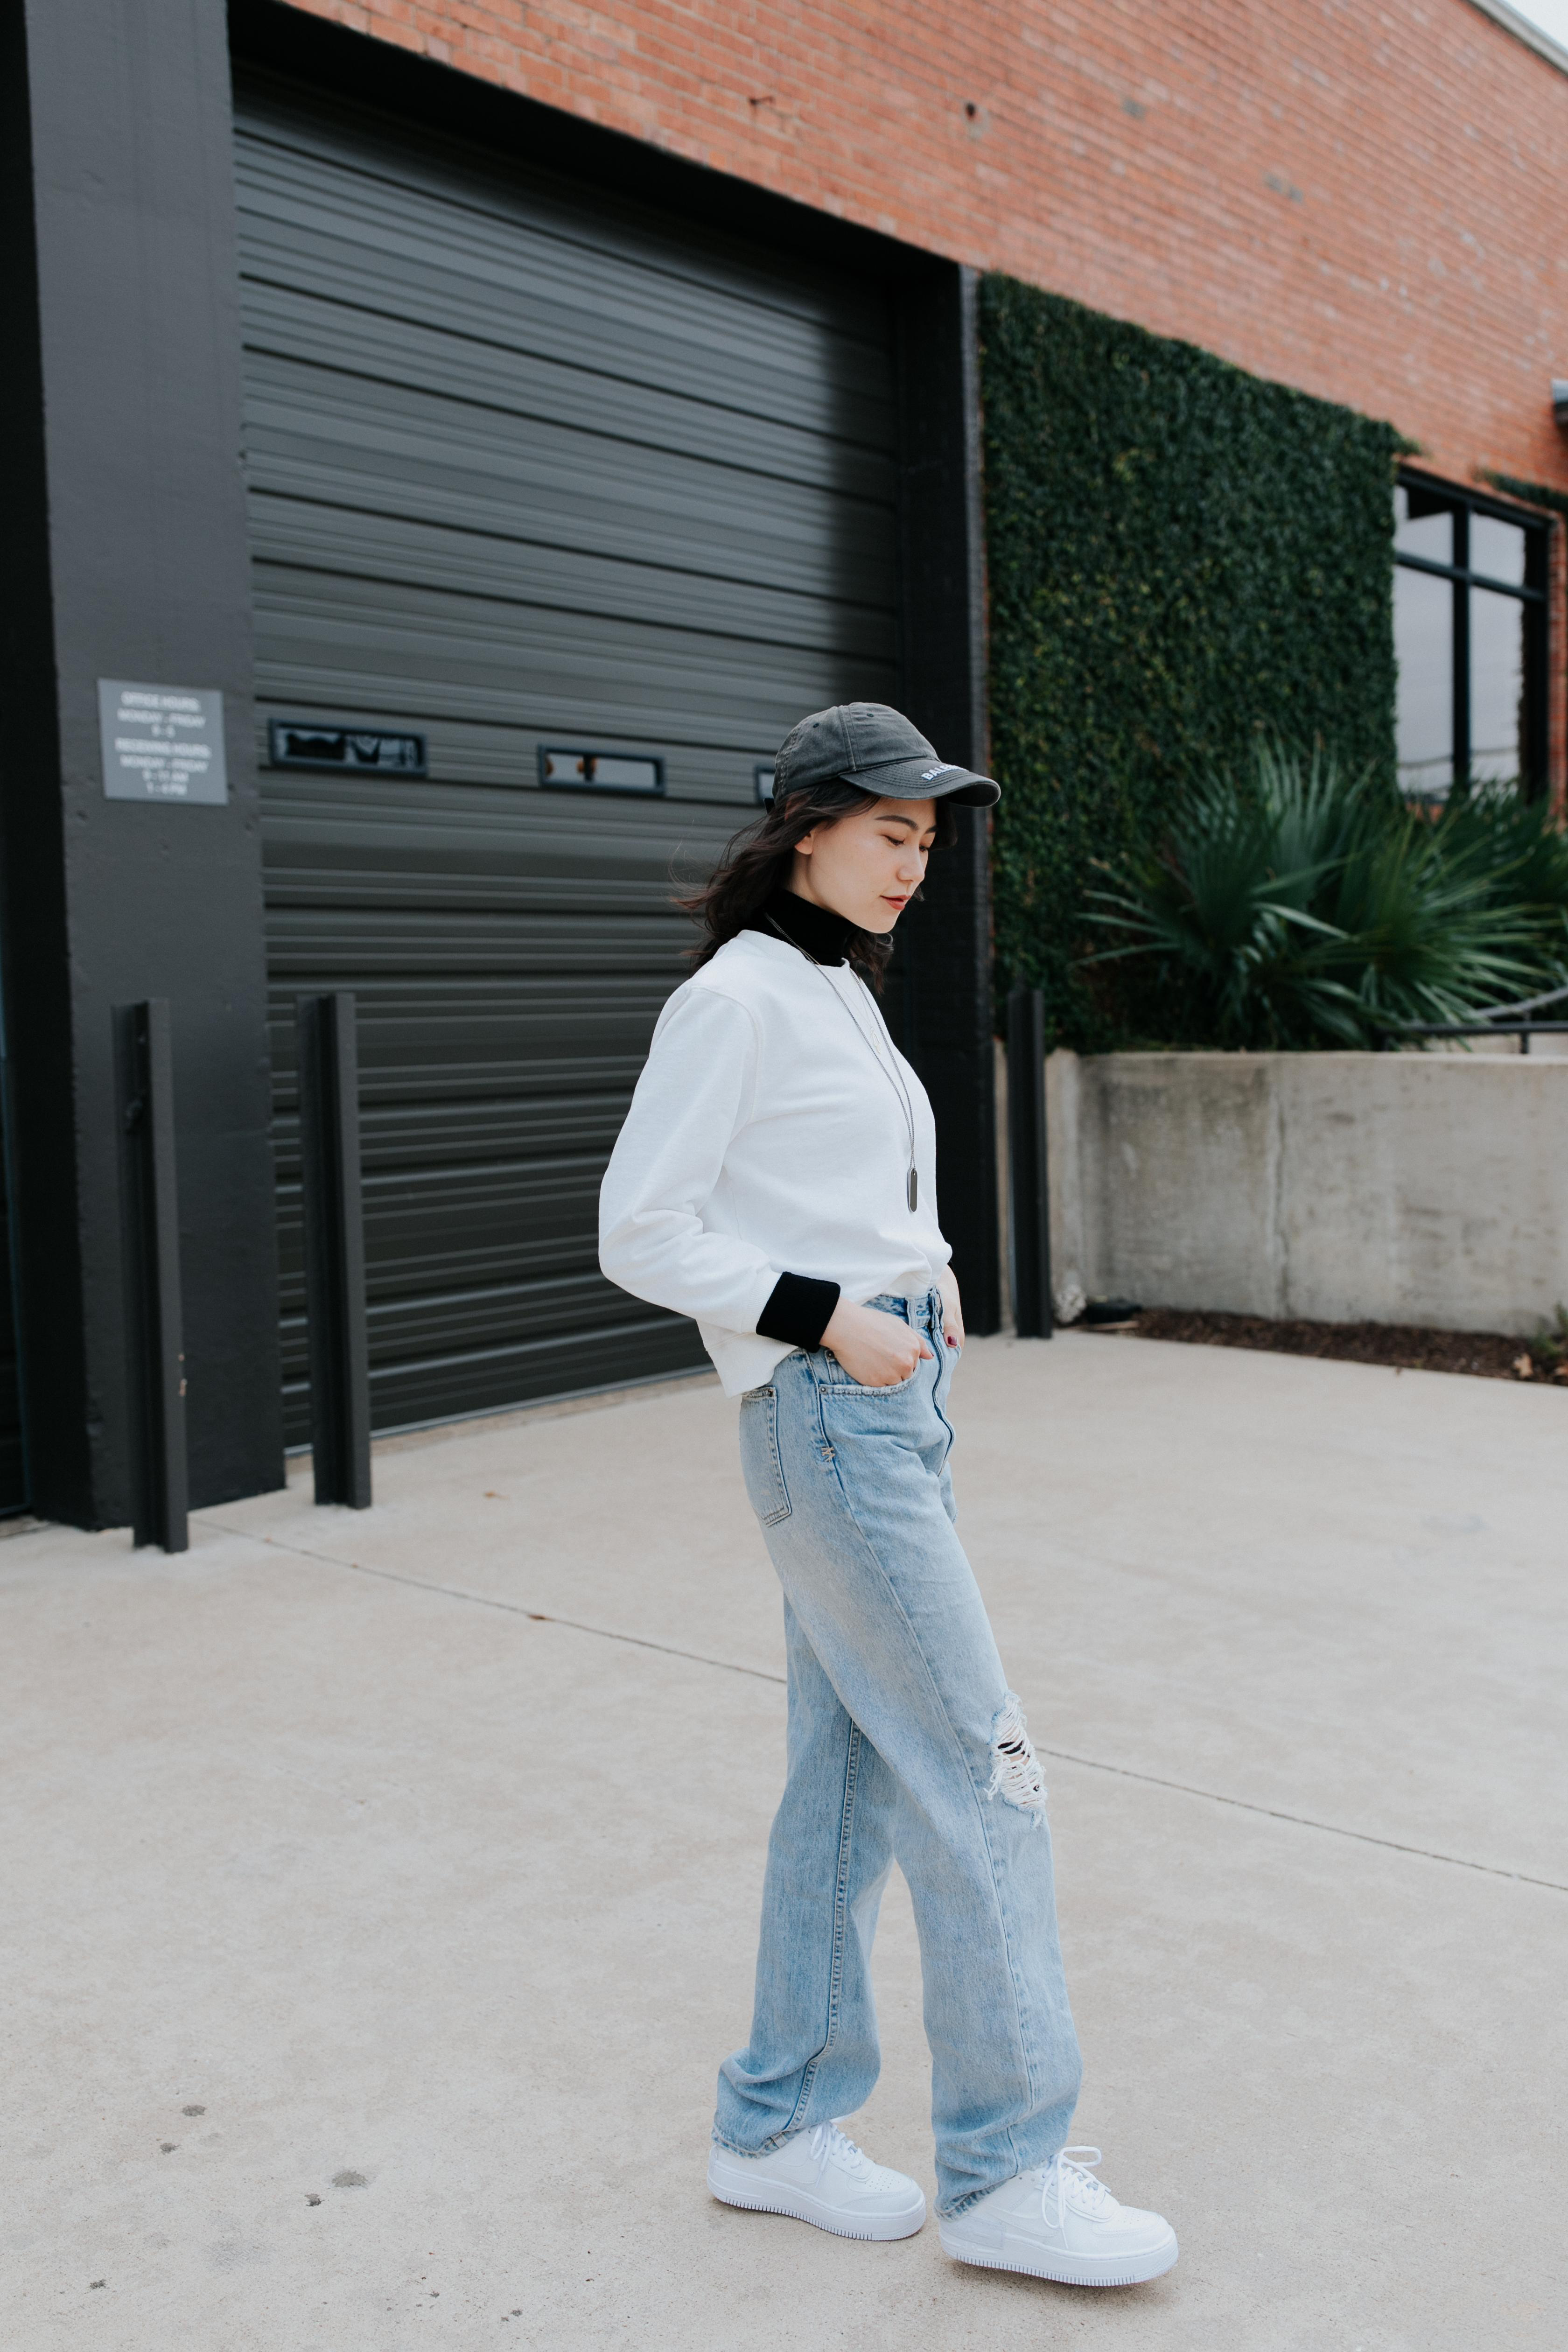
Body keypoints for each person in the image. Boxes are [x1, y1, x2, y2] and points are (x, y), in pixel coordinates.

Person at [598, 702, 1176, 2289]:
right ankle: (1003, 2172)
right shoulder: (737, 1000)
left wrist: (920, 1292)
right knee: (983, 1769)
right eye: (889, 832)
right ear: (806, 829)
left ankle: (775, 2125)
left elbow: (845, 1187)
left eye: (928, 840)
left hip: (889, 1397)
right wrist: (836, 1317)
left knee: (853, 1779)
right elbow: (639, 1229)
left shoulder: (827, 986)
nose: (915, 863)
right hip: (831, 1412)